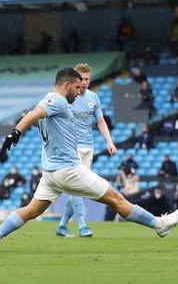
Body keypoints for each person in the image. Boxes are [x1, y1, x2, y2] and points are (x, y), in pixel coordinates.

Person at [0, 68, 178, 251]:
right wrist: (15, 133)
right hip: (68, 170)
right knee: (116, 199)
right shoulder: (56, 100)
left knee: (31, 210)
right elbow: (33, 114)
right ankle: (159, 225)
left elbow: (34, 115)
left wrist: (16, 132)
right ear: (66, 85)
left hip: (50, 173)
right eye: (76, 87)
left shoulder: (48, 104)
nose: (79, 91)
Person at [57, 63, 118, 238]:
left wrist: (109, 142)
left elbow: (100, 121)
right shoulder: (67, 98)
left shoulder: (93, 98)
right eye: (81, 79)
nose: (84, 82)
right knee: (78, 186)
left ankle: (62, 226)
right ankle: (82, 225)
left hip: (88, 147)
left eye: (87, 79)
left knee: (77, 188)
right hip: (71, 147)